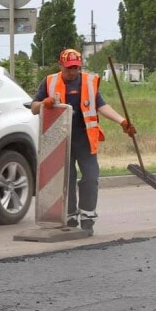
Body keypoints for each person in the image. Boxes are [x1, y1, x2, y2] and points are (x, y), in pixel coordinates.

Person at [30, 48, 134, 234]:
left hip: (85, 140)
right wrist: (43, 104)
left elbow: (101, 105)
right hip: (60, 142)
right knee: (67, 180)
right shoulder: (49, 82)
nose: (73, 72)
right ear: (61, 65)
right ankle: (70, 216)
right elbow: (34, 108)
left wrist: (122, 121)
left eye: (76, 68)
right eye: (69, 68)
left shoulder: (88, 82)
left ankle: (87, 216)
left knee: (91, 178)